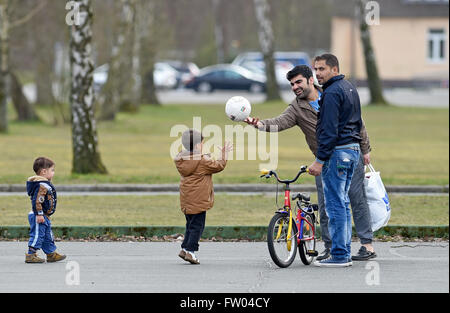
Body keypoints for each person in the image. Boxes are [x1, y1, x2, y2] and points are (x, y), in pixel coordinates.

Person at [245, 63, 376, 264]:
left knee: (356, 199)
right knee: (326, 206)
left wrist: (365, 149)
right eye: (291, 84)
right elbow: (279, 122)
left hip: (348, 153)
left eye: (298, 82)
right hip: (323, 160)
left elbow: (358, 122)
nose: (295, 87)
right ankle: (332, 248)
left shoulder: (332, 94)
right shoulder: (297, 108)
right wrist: (259, 125)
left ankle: (366, 245)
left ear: (310, 80)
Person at [307, 53, 367, 267]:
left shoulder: (331, 92)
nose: (317, 74)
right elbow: (358, 122)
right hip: (352, 150)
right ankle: (345, 252)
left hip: (338, 152)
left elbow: (329, 131)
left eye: (322, 69)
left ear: (334, 69)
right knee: (342, 203)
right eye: (315, 70)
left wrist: (319, 160)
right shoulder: (349, 88)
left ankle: (340, 255)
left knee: (334, 205)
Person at [174, 129, 233, 264]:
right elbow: (219, 166)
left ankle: (184, 248)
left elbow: (201, 159)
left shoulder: (182, 159)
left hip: (187, 198)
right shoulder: (201, 161)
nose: (203, 145)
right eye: (202, 143)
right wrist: (224, 153)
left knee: (190, 224)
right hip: (199, 199)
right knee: (197, 227)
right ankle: (191, 252)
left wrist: (204, 154)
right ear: (196, 146)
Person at [25, 157, 66, 263]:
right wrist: (39, 214)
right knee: (38, 235)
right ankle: (31, 254)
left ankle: (51, 254)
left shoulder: (44, 183)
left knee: (48, 236)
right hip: (38, 215)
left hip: (44, 215)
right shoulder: (42, 185)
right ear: (44, 171)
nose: (53, 173)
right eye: (52, 170)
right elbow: (37, 201)